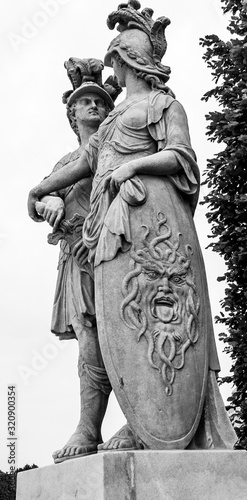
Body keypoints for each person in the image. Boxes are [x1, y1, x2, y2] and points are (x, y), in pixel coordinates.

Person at [28, 2, 237, 451]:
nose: (113, 74)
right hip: (107, 234)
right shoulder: (109, 123)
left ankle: (151, 426)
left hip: (150, 228)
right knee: (120, 325)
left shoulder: (164, 105)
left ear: (128, 61)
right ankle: (126, 422)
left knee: (154, 321)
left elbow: (181, 157)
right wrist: (40, 187)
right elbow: (85, 161)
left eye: (116, 64)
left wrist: (132, 168)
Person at [35, 58, 122, 461]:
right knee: (89, 343)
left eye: (100, 102)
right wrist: (49, 198)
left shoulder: (113, 146)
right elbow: (38, 201)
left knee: (123, 336)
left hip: (114, 254)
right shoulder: (64, 163)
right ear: (72, 114)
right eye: (85, 102)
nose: (93, 107)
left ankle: (137, 419)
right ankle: (88, 428)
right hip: (75, 259)